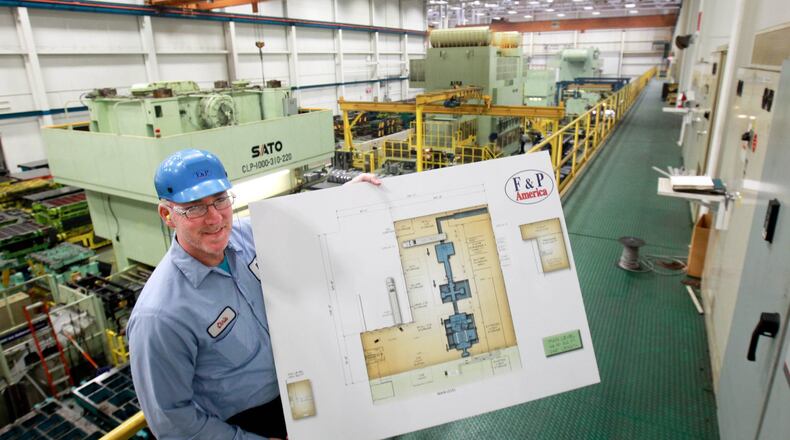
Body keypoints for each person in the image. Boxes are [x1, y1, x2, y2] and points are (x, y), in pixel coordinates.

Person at [128, 149, 380, 439]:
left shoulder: (248, 237)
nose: (214, 218)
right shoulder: (160, 316)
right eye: (194, 208)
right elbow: (171, 420)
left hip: (302, 392)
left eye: (220, 200)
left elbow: (304, 225)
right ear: (167, 215)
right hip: (247, 424)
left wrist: (350, 196)